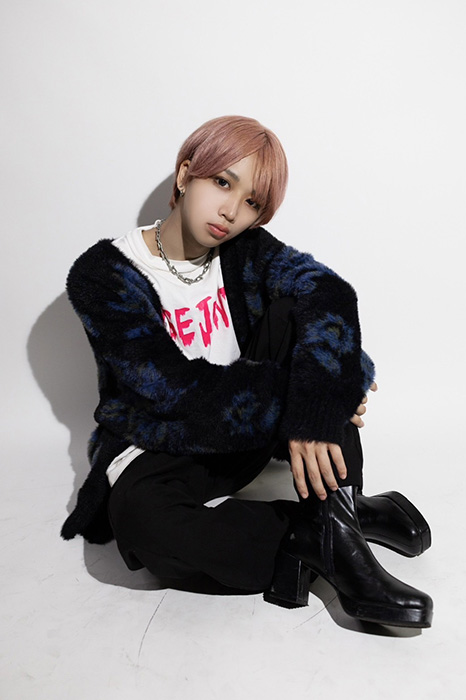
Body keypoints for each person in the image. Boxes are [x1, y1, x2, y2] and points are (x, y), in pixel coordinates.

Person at [61, 116, 433, 628]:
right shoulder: (103, 273)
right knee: (146, 528)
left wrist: (322, 392)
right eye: (222, 182)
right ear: (185, 174)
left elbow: (329, 293)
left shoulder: (244, 250)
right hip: (159, 442)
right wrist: (309, 398)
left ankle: (338, 516)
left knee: (306, 323)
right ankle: (326, 528)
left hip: (245, 434)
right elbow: (168, 389)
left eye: (253, 202)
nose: (232, 211)